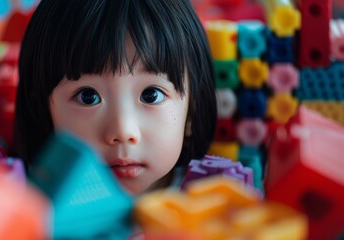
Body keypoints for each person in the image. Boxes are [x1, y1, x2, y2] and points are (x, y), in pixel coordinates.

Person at [15, 0, 217, 195]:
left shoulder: (218, 202)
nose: (123, 131)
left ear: (191, 110)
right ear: (43, 110)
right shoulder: (28, 206)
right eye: (88, 97)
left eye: (151, 95)